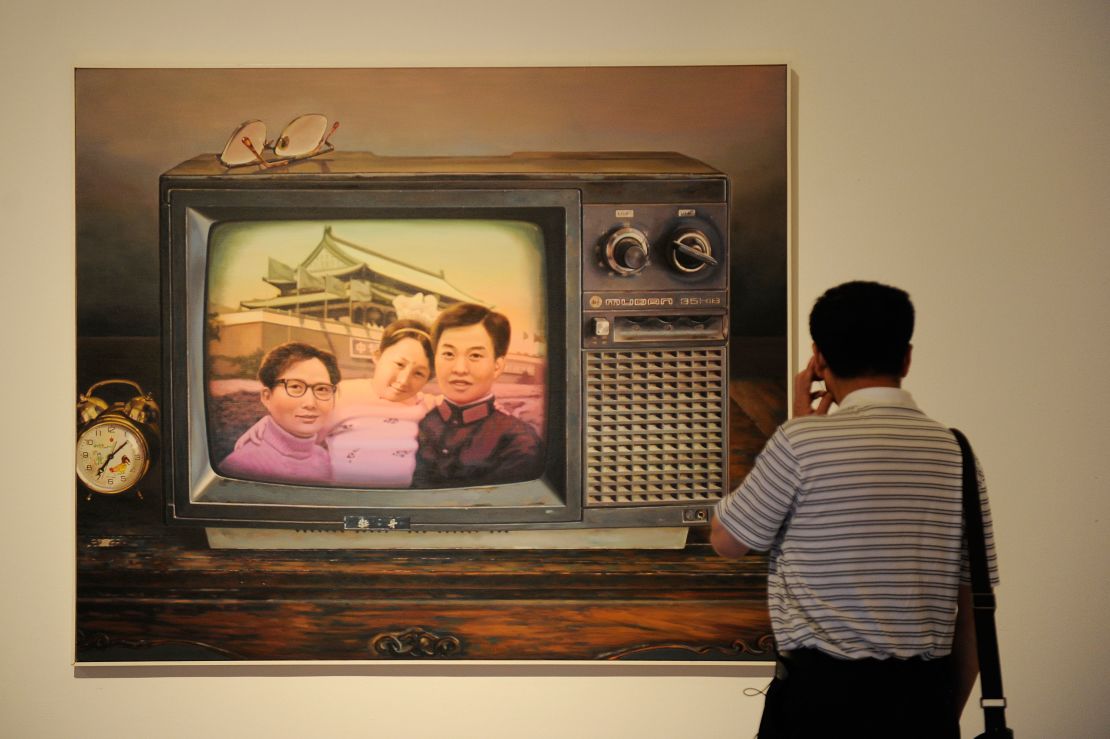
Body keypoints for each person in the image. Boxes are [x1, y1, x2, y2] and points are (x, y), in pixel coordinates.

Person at [711, 281, 999, 739]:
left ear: (819, 359)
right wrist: (942, 713)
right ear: (906, 357)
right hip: (922, 703)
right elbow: (972, 612)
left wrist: (801, 426)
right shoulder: (956, 453)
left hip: (817, 705)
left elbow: (727, 541)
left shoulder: (801, 443)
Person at [412, 302, 542, 488]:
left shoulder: (518, 440)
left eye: (475, 356)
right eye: (448, 354)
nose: (459, 369)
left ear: (498, 366)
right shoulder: (423, 424)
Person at [326, 319, 435, 487]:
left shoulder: (426, 406)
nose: (404, 380)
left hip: (400, 502)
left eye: (419, 373)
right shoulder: (339, 395)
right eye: (399, 364)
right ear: (377, 356)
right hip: (344, 499)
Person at [220, 341, 340, 485]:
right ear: (267, 396)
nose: (310, 403)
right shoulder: (241, 465)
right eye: (295, 386)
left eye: (322, 389)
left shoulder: (323, 458)